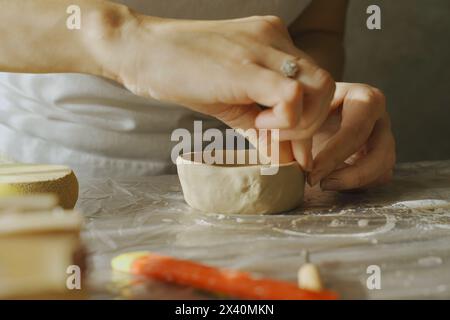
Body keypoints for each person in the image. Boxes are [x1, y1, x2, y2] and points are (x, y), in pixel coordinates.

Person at [0, 0, 395, 191]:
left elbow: (316, 31)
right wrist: (119, 38)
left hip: (250, 172)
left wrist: (300, 103)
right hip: (48, 181)